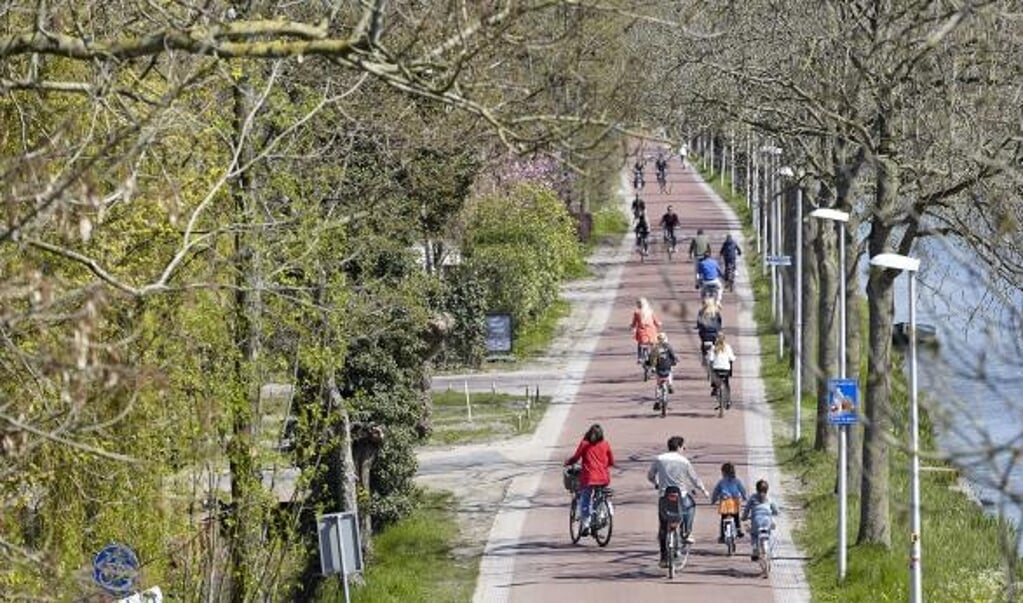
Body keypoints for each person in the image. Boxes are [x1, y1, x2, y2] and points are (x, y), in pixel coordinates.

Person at [648, 435, 709, 567]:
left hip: (664, 496)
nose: (684, 449)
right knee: (691, 506)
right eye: (683, 447)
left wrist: (657, 483)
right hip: (680, 496)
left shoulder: (660, 459)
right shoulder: (684, 461)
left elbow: (650, 476)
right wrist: (704, 490)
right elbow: (694, 479)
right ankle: (686, 531)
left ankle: (663, 557)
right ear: (679, 447)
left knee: (663, 525)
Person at [565, 424, 615, 537]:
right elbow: (611, 461)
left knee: (585, 498)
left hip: (589, 477)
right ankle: (601, 515)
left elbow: (576, 457)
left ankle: (586, 524)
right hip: (603, 477)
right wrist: (604, 465)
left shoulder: (584, 444)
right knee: (599, 496)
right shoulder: (605, 444)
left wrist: (568, 462)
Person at [742, 479, 779, 561]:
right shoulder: (769, 498)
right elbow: (776, 510)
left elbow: (747, 509)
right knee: (770, 534)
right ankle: (772, 552)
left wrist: (744, 517)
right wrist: (775, 513)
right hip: (767, 520)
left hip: (756, 520)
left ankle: (755, 549)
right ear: (767, 490)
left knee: (754, 534)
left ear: (756, 489)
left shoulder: (752, 498)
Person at [711, 462, 747, 542]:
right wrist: (745, 497)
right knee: (736, 517)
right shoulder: (737, 481)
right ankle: (738, 531)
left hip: (725, 502)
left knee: (723, 518)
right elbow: (742, 490)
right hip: (735, 502)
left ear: (723, 472)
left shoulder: (721, 482)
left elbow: (716, 492)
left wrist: (713, 500)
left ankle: (722, 536)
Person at [648, 332, 678, 409]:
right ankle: (670, 384)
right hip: (667, 367)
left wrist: (650, 365)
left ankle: (657, 401)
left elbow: (651, 358)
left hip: (658, 368)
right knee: (670, 371)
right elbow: (673, 356)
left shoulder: (655, 348)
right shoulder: (668, 346)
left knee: (658, 384)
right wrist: (675, 360)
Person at [631, 297, 661, 363]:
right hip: (651, 333)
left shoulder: (637, 313)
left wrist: (632, 326)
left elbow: (634, 323)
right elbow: (656, 321)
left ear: (638, 305)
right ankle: (655, 360)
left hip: (642, 333)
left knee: (640, 343)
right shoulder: (650, 311)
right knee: (654, 345)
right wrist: (658, 324)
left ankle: (640, 357)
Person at [709, 333, 736, 399]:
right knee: (726, 383)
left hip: (717, 369)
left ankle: (715, 387)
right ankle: (728, 399)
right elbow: (732, 358)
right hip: (726, 369)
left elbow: (711, 359)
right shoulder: (727, 347)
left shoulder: (713, 347)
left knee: (712, 371)